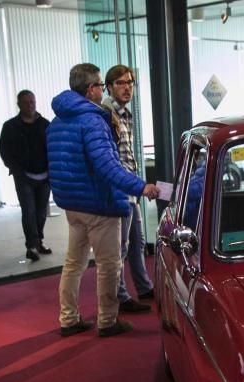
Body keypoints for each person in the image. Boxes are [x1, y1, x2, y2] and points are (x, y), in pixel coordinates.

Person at [47, 63, 159, 338]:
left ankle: (68, 318)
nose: (103, 89)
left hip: (72, 205)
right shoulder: (93, 120)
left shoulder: (57, 121)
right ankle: (108, 321)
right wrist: (141, 186)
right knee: (110, 264)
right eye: (100, 84)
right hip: (99, 204)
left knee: (74, 263)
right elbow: (107, 166)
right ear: (91, 90)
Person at [103, 64, 154, 314]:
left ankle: (144, 287)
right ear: (109, 87)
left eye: (130, 83)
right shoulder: (106, 114)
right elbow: (112, 160)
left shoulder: (125, 114)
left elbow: (128, 155)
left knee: (138, 241)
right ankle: (121, 297)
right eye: (121, 83)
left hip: (131, 186)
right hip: (120, 189)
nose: (127, 88)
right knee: (120, 247)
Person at [0, 90, 52, 262]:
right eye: (26, 102)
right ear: (19, 104)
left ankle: (39, 241)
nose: (30, 105)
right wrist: (14, 169)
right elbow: (4, 150)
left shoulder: (45, 124)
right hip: (23, 177)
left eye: (32, 101)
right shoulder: (10, 127)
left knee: (41, 212)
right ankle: (31, 246)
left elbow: (53, 147)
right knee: (28, 211)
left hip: (44, 175)